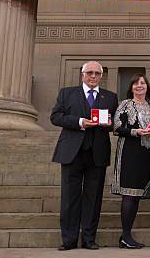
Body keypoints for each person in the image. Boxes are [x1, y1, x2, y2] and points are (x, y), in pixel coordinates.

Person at [50, 61, 118, 251]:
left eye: (97, 73)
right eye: (90, 73)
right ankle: (69, 239)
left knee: (93, 197)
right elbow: (55, 117)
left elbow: (115, 123)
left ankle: (89, 238)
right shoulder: (67, 93)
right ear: (82, 74)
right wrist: (79, 121)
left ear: (101, 76)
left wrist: (110, 124)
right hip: (72, 152)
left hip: (97, 153)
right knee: (70, 197)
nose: (93, 76)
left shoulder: (110, 97)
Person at [111, 74, 150, 249]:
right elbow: (117, 128)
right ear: (131, 87)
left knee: (137, 196)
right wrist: (136, 132)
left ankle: (126, 236)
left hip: (146, 154)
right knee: (129, 194)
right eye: (136, 83)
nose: (139, 86)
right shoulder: (125, 104)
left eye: (143, 83)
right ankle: (125, 236)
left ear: (147, 87)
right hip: (129, 153)